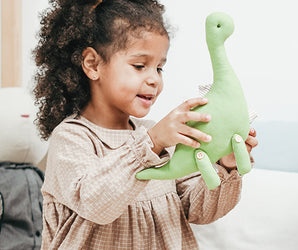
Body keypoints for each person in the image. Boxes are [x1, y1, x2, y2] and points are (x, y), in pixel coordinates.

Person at [32, 0, 257, 249]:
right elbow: (94, 203)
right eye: (140, 66)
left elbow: (199, 211)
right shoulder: (72, 138)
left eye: (160, 68)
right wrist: (151, 143)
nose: (154, 79)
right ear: (93, 65)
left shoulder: (157, 136)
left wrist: (224, 166)